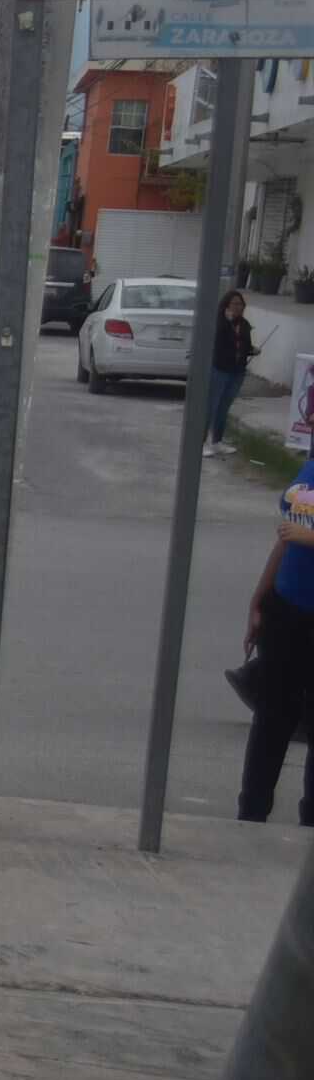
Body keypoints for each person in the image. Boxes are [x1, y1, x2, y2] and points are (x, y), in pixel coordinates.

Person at [240, 458, 314, 821]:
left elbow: (298, 533)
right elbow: (285, 538)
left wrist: (310, 536)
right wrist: (259, 597)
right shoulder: (311, 466)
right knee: (270, 720)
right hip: (285, 609)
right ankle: (249, 818)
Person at [207, 288, 259, 457]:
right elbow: (217, 340)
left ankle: (217, 441)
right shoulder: (219, 322)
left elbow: (244, 345)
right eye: (234, 304)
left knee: (224, 407)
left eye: (240, 304)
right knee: (211, 406)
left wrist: (252, 350)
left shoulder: (244, 324)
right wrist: (227, 322)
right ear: (226, 305)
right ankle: (200, 442)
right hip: (220, 369)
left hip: (237, 371)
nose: (238, 307)